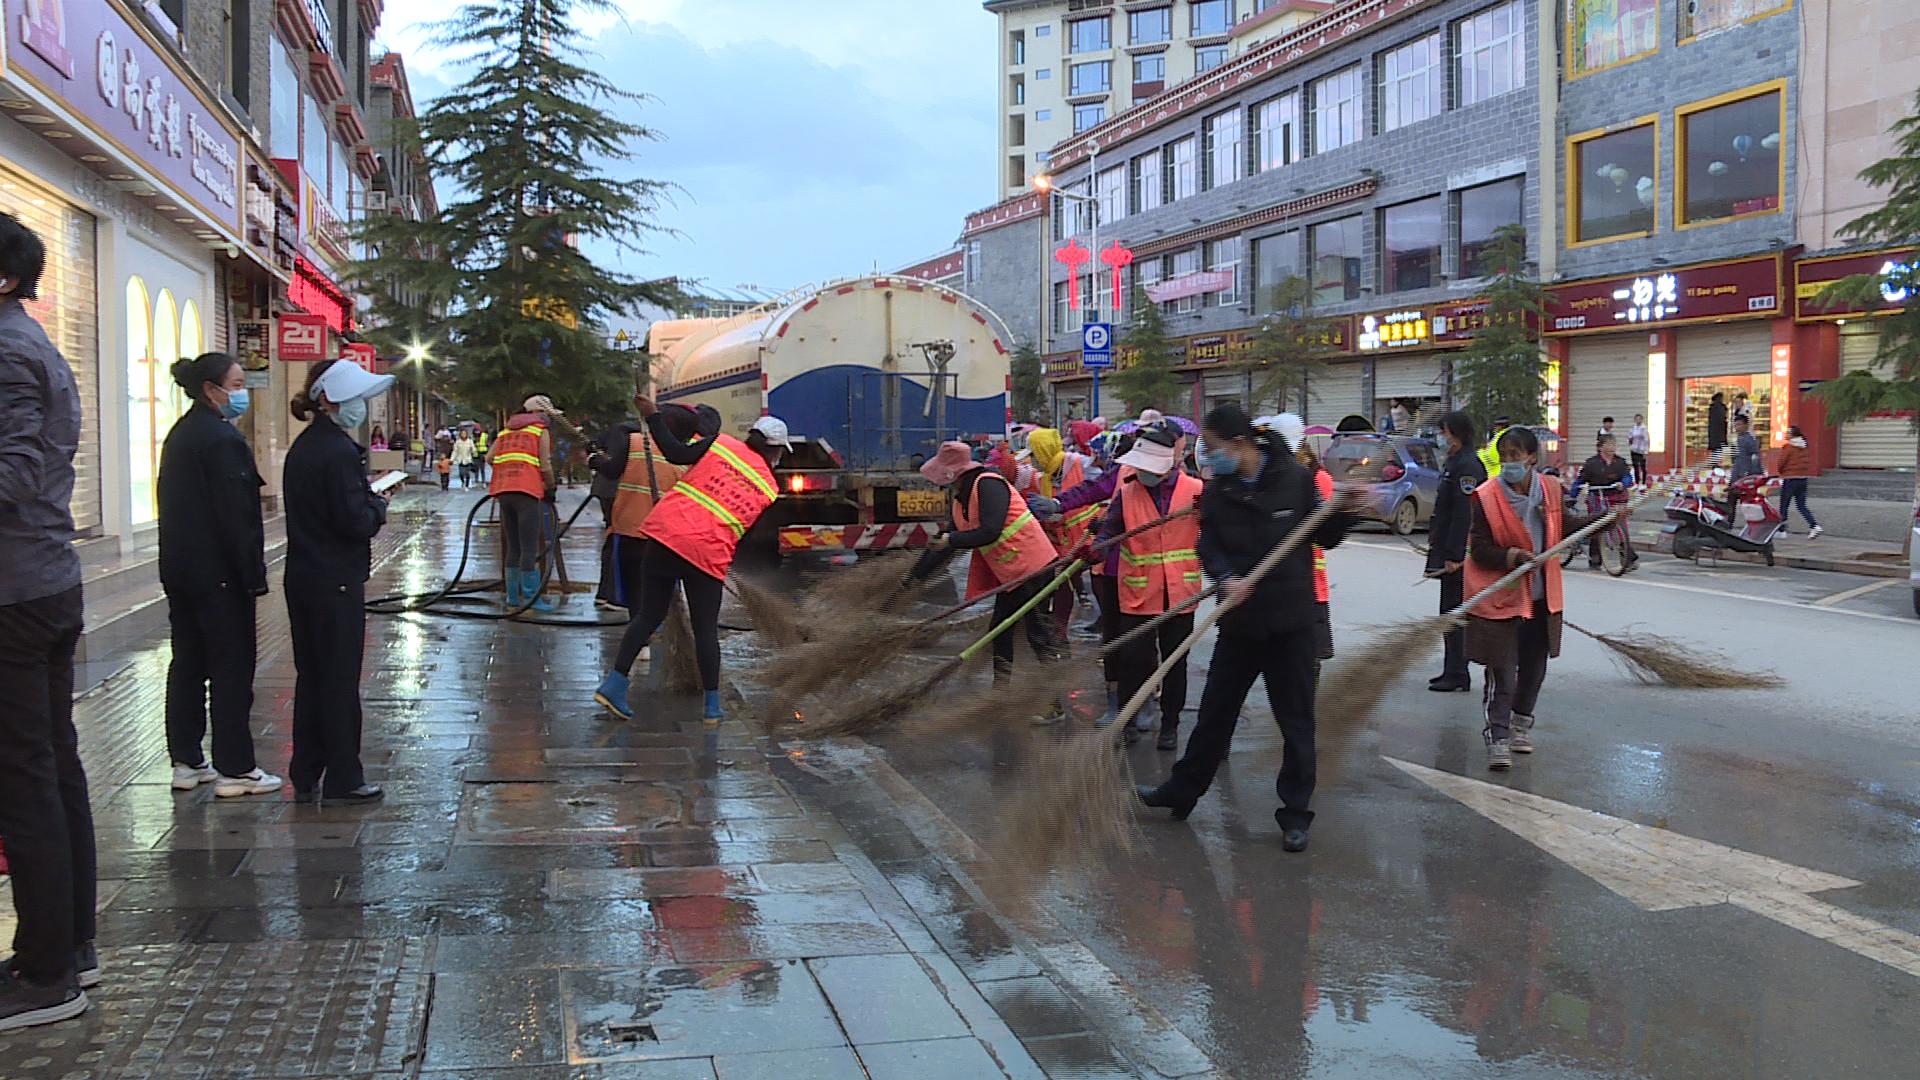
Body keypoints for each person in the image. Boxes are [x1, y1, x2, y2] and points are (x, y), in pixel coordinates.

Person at [1136, 404, 1357, 853]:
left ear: (1239, 444)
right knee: (1215, 714)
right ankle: (1182, 791)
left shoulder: (1294, 480)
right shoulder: (1220, 492)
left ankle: (1295, 815)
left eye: (1214, 449)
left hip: (1291, 625)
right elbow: (1208, 545)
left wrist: (1346, 510)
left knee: (1295, 724)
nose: (1210, 458)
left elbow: (1325, 535)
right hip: (1239, 624)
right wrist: (1225, 576)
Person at [0, 212, 96, 1030]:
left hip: (16, 591)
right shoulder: (29, 340)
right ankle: (69, 945)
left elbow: (18, 468)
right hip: (44, 582)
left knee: (25, 775)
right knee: (52, 765)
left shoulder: (5, 349)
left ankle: (46, 973)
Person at [594, 397, 789, 724]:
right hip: (707, 554)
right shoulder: (769, 487)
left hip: (665, 536)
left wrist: (653, 417)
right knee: (705, 630)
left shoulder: (722, 444)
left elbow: (675, 453)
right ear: (776, 451)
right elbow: (746, 531)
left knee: (647, 615)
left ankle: (615, 683)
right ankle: (712, 707)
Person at [157, 351, 279, 798]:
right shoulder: (222, 440)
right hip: (220, 577)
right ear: (211, 390)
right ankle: (236, 767)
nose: (241, 392)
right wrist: (252, 574)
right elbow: (237, 518)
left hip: (182, 572)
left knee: (188, 665)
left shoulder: (182, 435)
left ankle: (187, 760)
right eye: (237, 384)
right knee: (231, 669)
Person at [1467, 426, 1610, 771]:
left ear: (1532, 457)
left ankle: (1520, 725)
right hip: (1501, 596)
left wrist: (1604, 521)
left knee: (1534, 667)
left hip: (1541, 596)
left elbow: (1566, 527)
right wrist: (1513, 556)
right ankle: (1497, 736)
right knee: (1502, 669)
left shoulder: (1550, 489)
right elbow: (1480, 549)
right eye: (1504, 457)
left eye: (1515, 456)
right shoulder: (1485, 496)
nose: (1509, 463)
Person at [284, 360, 392, 803]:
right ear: (329, 400)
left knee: (312, 675)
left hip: (305, 576)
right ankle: (345, 775)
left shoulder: (305, 447)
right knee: (339, 679)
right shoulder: (339, 452)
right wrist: (378, 507)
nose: (361, 409)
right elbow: (353, 521)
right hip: (336, 581)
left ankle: (306, 770)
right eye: (356, 400)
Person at [905, 440, 1061, 686]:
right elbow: (946, 544)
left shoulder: (988, 484)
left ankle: (1053, 700)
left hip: (1034, 567)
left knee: (1037, 634)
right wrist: (913, 579)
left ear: (953, 472)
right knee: (1000, 630)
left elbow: (990, 531)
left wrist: (950, 539)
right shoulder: (960, 499)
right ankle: (1000, 690)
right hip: (1012, 572)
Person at [1097, 427, 1200, 750]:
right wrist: (1097, 547)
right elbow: (1111, 530)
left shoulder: (1196, 492)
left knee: (1174, 663)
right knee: (1133, 660)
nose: (1141, 473)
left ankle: (1169, 725)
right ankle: (1127, 722)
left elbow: (1217, 532)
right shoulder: (1127, 493)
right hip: (1139, 593)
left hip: (1180, 594)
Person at [593, 405, 699, 687]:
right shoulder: (686, 459)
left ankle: (640, 644)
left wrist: (594, 459)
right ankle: (658, 631)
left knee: (634, 591)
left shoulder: (635, 442)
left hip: (629, 530)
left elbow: (611, 470)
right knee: (658, 592)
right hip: (662, 536)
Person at [1427, 411, 1485, 693]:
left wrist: (1455, 555)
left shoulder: (1468, 466)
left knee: (1455, 613)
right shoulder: (1454, 463)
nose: (1441, 437)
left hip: (1459, 555)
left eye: (1444, 432)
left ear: (1457, 434)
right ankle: (1452, 669)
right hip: (1447, 550)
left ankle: (1458, 672)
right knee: (1448, 613)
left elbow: (1464, 514)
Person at [1024, 427, 1097, 642]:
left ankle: (1108, 634)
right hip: (1066, 541)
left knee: (1103, 588)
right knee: (1062, 585)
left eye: (1034, 455)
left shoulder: (1080, 464)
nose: (1032, 461)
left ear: (1043, 451)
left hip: (1093, 537)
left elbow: (1102, 491)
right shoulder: (1044, 478)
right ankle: (1059, 633)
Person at [489, 398, 558, 612]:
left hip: (504, 492)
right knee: (529, 547)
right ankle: (531, 598)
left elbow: (490, 457)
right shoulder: (539, 431)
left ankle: (512, 597)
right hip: (527, 492)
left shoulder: (505, 431)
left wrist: (509, 469)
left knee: (513, 546)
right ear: (538, 412)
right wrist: (551, 486)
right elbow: (545, 464)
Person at [1577, 434, 1639, 571]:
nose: (1612, 447)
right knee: (1596, 526)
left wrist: (1623, 484)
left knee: (1622, 526)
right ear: (1601, 447)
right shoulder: (1591, 463)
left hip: (1617, 497)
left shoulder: (1620, 463)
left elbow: (1628, 478)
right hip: (1597, 497)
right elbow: (1580, 480)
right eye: (1609, 444)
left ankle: (1628, 559)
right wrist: (1573, 494)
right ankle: (1595, 559)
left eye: (1614, 445)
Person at [1774, 425, 1822, 538]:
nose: (1786, 434)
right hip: (1802, 479)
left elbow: (1781, 462)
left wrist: (1781, 472)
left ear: (1792, 435)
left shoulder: (1788, 447)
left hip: (1790, 479)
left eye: (1788, 433)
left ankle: (1781, 531)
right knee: (1801, 505)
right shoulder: (1804, 447)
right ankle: (1814, 526)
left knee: (1784, 505)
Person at [1729, 414, 1762, 481]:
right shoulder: (1737, 439)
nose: (1737, 427)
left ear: (1746, 425)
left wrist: (1753, 473)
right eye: (1735, 425)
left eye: (1739, 425)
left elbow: (1755, 456)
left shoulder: (1749, 439)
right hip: (1737, 472)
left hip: (1746, 474)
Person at [1627, 413, 1651, 483]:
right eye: (1636, 419)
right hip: (1634, 450)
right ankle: (1637, 482)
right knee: (1636, 467)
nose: (1638, 420)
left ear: (1642, 419)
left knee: (1643, 467)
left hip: (1642, 451)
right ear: (1634, 420)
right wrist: (1629, 441)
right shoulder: (1633, 428)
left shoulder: (1644, 428)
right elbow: (1629, 437)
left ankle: (1643, 482)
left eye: (1639, 419)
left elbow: (1646, 440)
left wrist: (1646, 452)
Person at [1706, 393, 1729, 458]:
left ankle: (1715, 462)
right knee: (1719, 447)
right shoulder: (1722, 407)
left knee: (1715, 448)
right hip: (1720, 430)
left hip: (1713, 431)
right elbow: (1724, 418)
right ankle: (1716, 463)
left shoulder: (1712, 407)